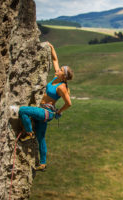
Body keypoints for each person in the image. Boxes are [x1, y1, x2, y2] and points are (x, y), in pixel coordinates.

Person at [18, 42, 74, 171]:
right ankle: (43, 163)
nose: (58, 70)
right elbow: (55, 59)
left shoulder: (62, 87)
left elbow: (69, 103)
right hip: (44, 112)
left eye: (60, 70)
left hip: (46, 112)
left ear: (64, 75)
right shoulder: (57, 79)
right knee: (41, 138)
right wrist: (52, 47)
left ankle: (28, 132)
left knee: (23, 111)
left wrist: (59, 111)